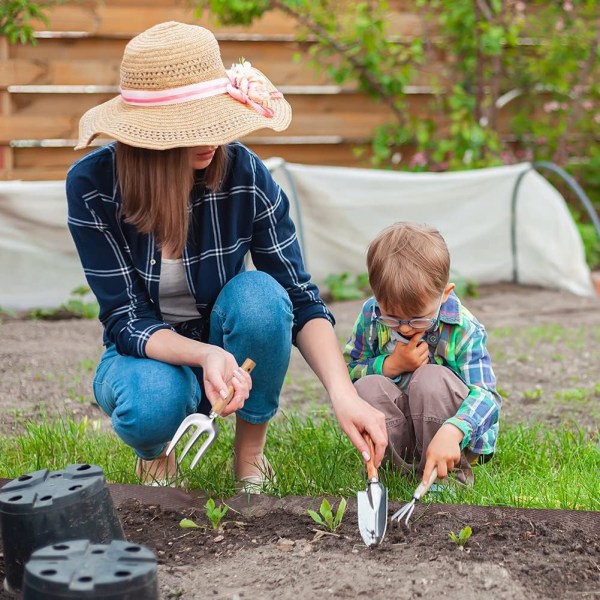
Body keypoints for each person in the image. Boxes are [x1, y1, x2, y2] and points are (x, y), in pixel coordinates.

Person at [66, 21, 386, 488]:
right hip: (146, 356)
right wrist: (204, 354)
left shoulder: (244, 174)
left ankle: (250, 456)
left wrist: (343, 395)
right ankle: (157, 454)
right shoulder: (93, 186)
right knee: (150, 403)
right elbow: (125, 319)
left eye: (215, 117)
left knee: (262, 296)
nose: (212, 137)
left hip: (227, 350)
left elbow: (300, 299)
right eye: (194, 123)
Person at [344, 222, 500, 486]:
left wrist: (454, 429)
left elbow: (488, 398)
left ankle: (445, 477)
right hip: (400, 428)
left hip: (451, 434)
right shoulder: (371, 316)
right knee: (367, 386)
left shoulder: (462, 328)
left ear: (444, 294)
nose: (404, 328)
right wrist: (388, 365)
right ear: (376, 296)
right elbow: (346, 374)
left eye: (417, 319)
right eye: (392, 317)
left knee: (431, 378)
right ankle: (392, 472)